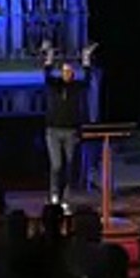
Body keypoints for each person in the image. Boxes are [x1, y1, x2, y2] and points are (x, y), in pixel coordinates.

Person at [40, 40, 98, 205]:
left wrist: (86, 58)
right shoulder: (54, 85)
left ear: (72, 74)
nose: (66, 73)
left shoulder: (76, 87)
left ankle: (65, 198)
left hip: (70, 131)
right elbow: (47, 73)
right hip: (53, 131)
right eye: (64, 71)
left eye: (69, 71)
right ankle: (54, 195)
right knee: (56, 165)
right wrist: (50, 55)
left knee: (69, 165)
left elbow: (87, 79)